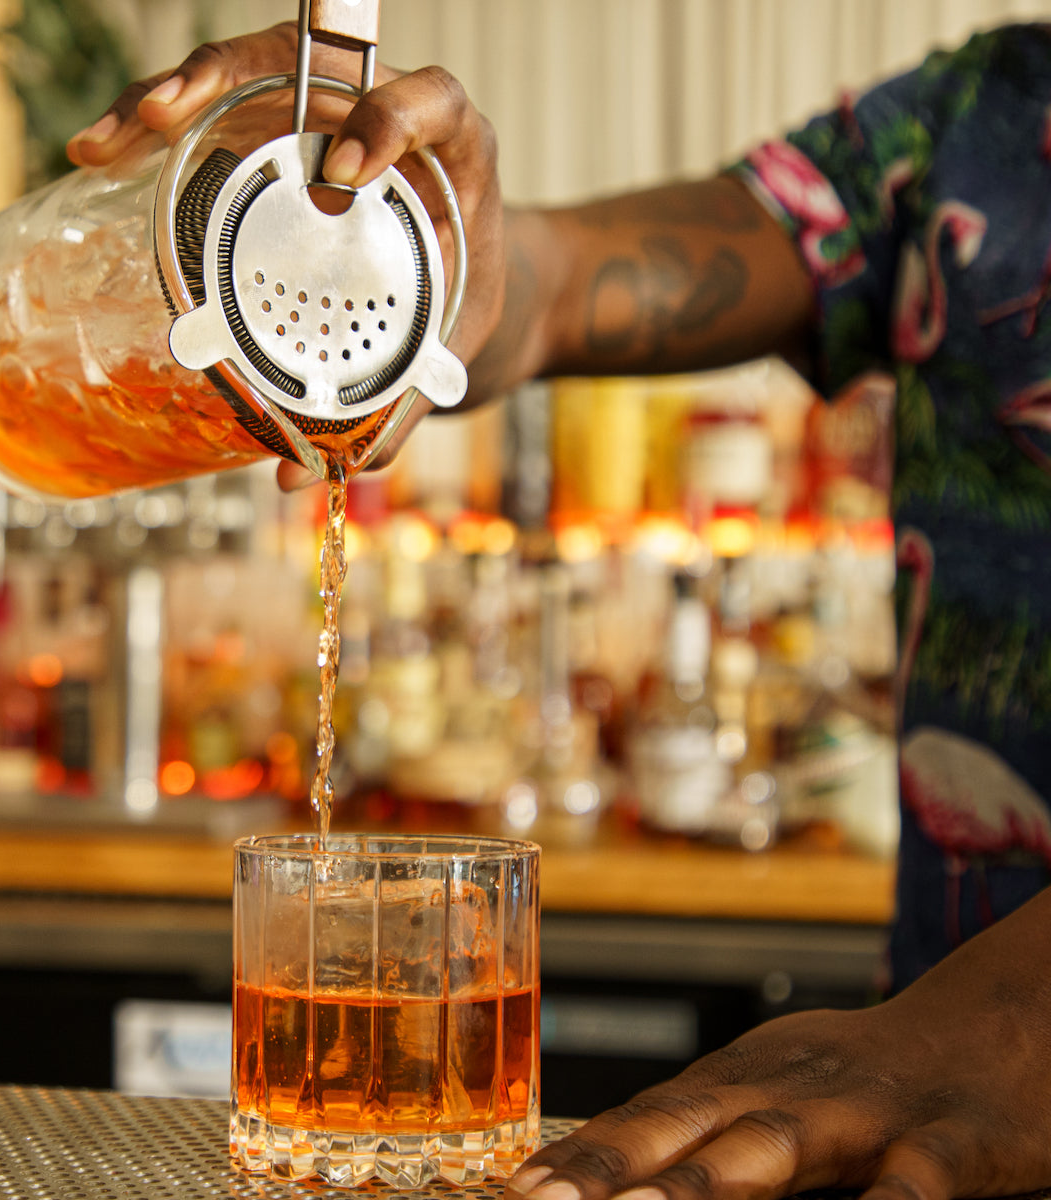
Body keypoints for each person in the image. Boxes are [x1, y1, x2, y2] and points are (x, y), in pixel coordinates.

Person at [68, 21, 1051, 1200]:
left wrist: (1020, 1020)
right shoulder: (982, 116)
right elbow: (557, 286)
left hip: (946, 1079)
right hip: (910, 1144)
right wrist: (423, 250)